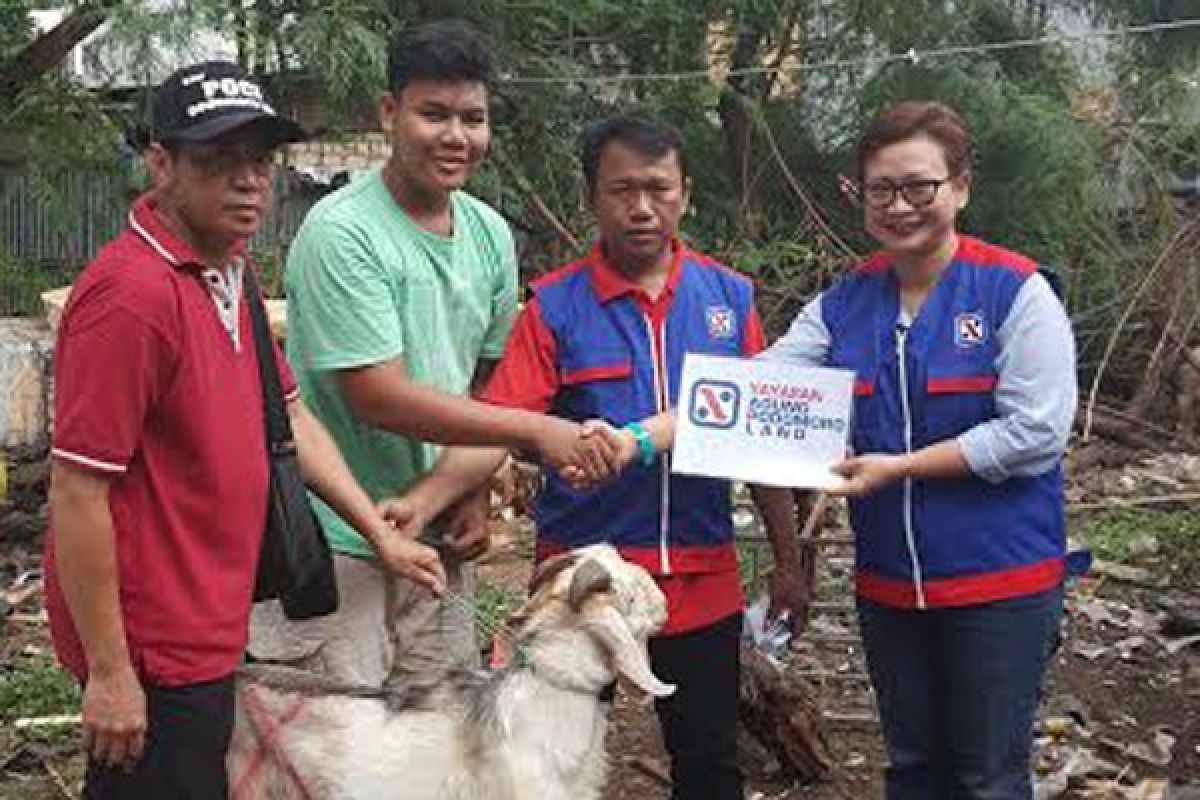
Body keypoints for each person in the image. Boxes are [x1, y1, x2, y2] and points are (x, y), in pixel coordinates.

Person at [44, 61, 445, 800]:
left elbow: (289, 416)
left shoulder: (229, 270)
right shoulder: (131, 298)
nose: (248, 181)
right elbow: (77, 490)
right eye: (217, 160)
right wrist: (110, 671)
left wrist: (377, 532)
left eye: (260, 160)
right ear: (160, 164)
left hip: (211, 620)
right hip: (154, 643)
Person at [386, 110, 801, 800]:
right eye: (622, 189)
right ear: (591, 197)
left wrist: (788, 562)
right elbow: (501, 423)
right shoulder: (554, 306)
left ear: (685, 194)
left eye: (658, 188)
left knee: (709, 762)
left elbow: (758, 441)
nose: (642, 207)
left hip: (701, 576)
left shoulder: (729, 298)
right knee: (546, 765)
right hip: (581, 587)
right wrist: (446, 498)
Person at [249, 19, 614, 688]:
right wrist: (537, 432)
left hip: (436, 537)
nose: (455, 136)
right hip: (337, 537)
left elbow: (482, 389)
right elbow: (377, 396)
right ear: (390, 113)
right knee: (343, 733)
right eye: (434, 114)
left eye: (473, 118)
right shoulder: (342, 233)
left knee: (440, 729)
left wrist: (468, 488)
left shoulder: (489, 235)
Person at [762, 101, 1076, 798]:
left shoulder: (1014, 292)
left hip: (999, 586)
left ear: (960, 187)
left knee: (987, 776)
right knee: (912, 769)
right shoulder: (842, 306)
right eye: (881, 190)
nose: (899, 206)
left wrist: (901, 467)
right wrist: (636, 436)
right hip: (891, 590)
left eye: (919, 186)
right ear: (859, 196)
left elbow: (1036, 433)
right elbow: (756, 387)